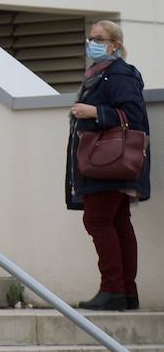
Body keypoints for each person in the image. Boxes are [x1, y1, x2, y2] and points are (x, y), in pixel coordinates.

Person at [67, 20, 150, 311]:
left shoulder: (118, 74)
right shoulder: (100, 74)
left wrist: (95, 112)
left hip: (109, 163)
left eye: (99, 39)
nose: (93, 43)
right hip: (106, 163)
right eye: (91, 38)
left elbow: (133, 116)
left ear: (115, 44)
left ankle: (112, 289)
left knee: (98, 220)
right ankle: (126, 292)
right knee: (117, 222)